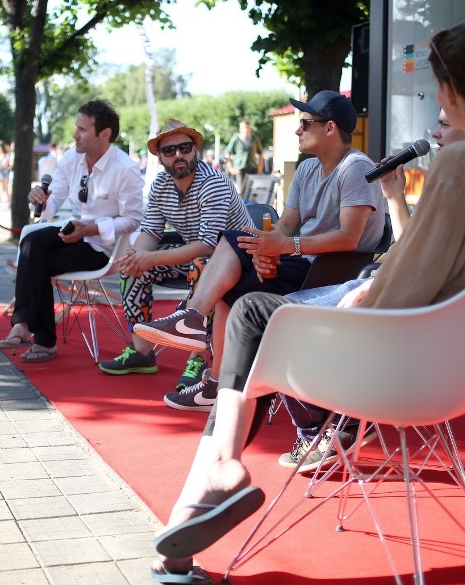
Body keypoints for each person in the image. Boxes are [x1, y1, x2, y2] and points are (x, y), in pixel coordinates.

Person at [147, 18, 465, 583]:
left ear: (448, 88)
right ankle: (207, 486)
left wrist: (358, 300)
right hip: (458, 365)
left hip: (393, 361)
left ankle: (214, 475)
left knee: (252, 313)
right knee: (264, 316)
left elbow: (408, 283)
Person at [134, 91, 386, 412]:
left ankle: (195, 329)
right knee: (234, 258)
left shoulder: (355, 168)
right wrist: (267, 251)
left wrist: (284, 247)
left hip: (330, 274)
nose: (297, 130)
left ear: (330, 128)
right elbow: (284, 227)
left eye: (305, 123)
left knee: (231, 245)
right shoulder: (308, 169)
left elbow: (349, 238)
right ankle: (209, 367)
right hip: (302, 262)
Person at [278, 107, 465, 472]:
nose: (435, 133)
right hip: (386, 281)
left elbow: (441, 269)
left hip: (403, 301)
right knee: (275, 311)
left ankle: (328, 427)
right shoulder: (450, 180)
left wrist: (382, 287)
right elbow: (413, 246)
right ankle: (334, 424)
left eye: (444, 124)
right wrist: (394, 194)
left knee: (280, 317)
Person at [95, 118, 253, 383]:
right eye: (169, 150)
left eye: (185, 147)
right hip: (198, 255)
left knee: (202, 265)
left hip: (238, 260)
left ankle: (197, 359)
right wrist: (137, 259)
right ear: (159, 157)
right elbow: (151, 232)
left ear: (195, 150)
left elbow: (208, 245)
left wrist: (150, 257)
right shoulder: (160, 185)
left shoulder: (213, 182)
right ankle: (141, 350)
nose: (178, 154)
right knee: (132, 268)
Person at [0, 99, 144, 363]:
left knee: (36, 257)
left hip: (103, 248)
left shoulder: (126, 169)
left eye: (82, 129)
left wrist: (91, 228)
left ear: (104, 134)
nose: (75, 134)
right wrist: (39, 200)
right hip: (74, 235)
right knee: (32, 241)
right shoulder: (71, 158)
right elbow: (52, 205)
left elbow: (133, 219)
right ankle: (30, 332)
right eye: (77, 128)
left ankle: (32, 332)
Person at [225, 120, 264, 197]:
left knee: (253, 192)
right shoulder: (236, 139)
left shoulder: (254, 139)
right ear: (240, 129)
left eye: (247, 128)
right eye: (244, 128)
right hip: (240, 169)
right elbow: (227, 153)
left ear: (250, 128)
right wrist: (230, 168)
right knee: (241, 191)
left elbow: (261, 153)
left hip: (252, 168)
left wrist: (260, 166)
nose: (246, 130)